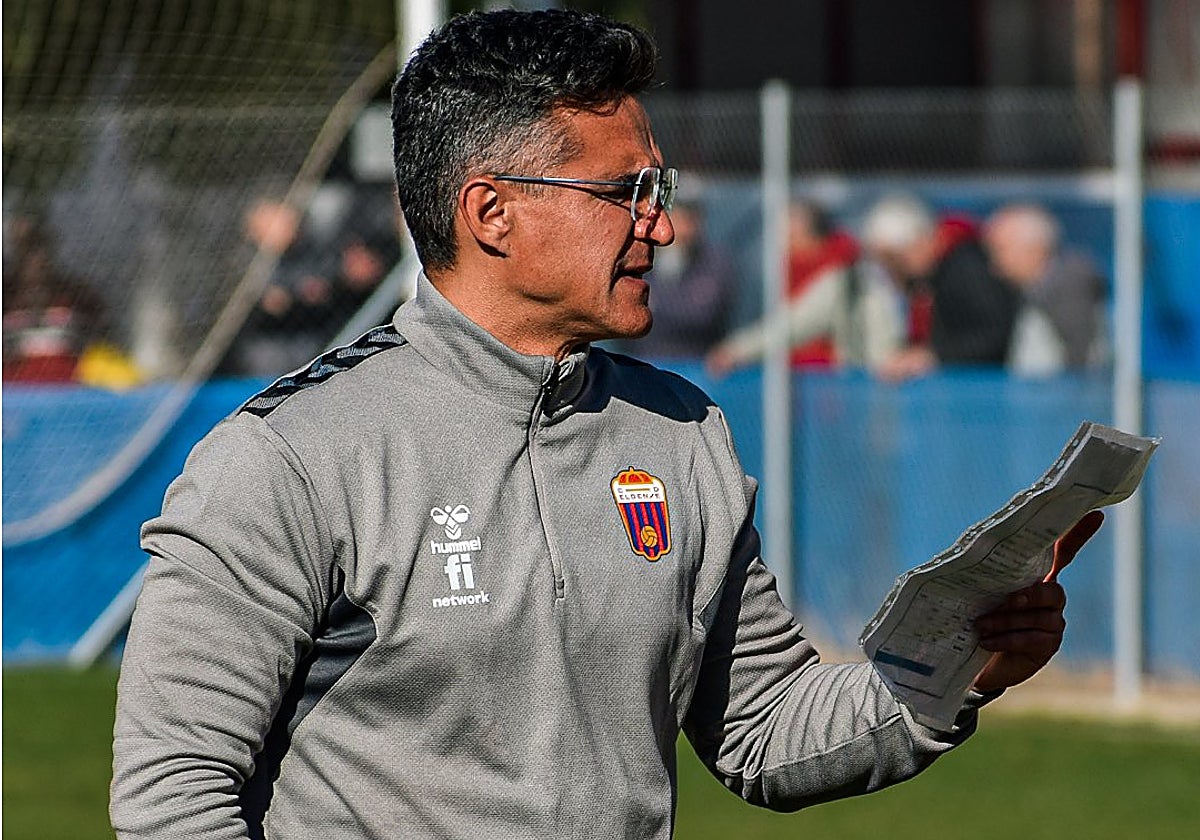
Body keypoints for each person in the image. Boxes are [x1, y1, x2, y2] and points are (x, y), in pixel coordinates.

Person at [110, 10, 1104, 839]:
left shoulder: (680, 433)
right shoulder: (290, 457)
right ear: (491, 212)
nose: (661, 226)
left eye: (658, 190)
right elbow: (173, 803)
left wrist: (956, 662)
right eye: (627, 192)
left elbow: (761, 728)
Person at [704, 201, 904, 377]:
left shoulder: (843, 278)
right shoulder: (790, 274)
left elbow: (794, 325)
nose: (781, 244)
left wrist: (736, 350)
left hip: (842, 388)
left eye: (787, 235)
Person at [862, 194, 1022, 382]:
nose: (894, 272)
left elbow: (994, 334)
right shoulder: (931, 276)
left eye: (896, 260)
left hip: (982, 387)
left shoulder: (967, 269)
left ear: (919, 242)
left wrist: (934, 357)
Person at [983, 202, 1108, 376]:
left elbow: (1084, 360)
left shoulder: (1069, 287)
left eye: (1001, 250)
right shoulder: (1034, 291)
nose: (994, 265)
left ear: (1034, 248)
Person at [616, 196, 734, 358]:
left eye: (691, 220)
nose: (686, 229)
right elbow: (626, 312)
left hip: (696, 364)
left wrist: (655, 303)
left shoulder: (713, 263)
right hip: (642, 358)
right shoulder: (643, 255)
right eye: (679, 218)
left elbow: (702, 315)